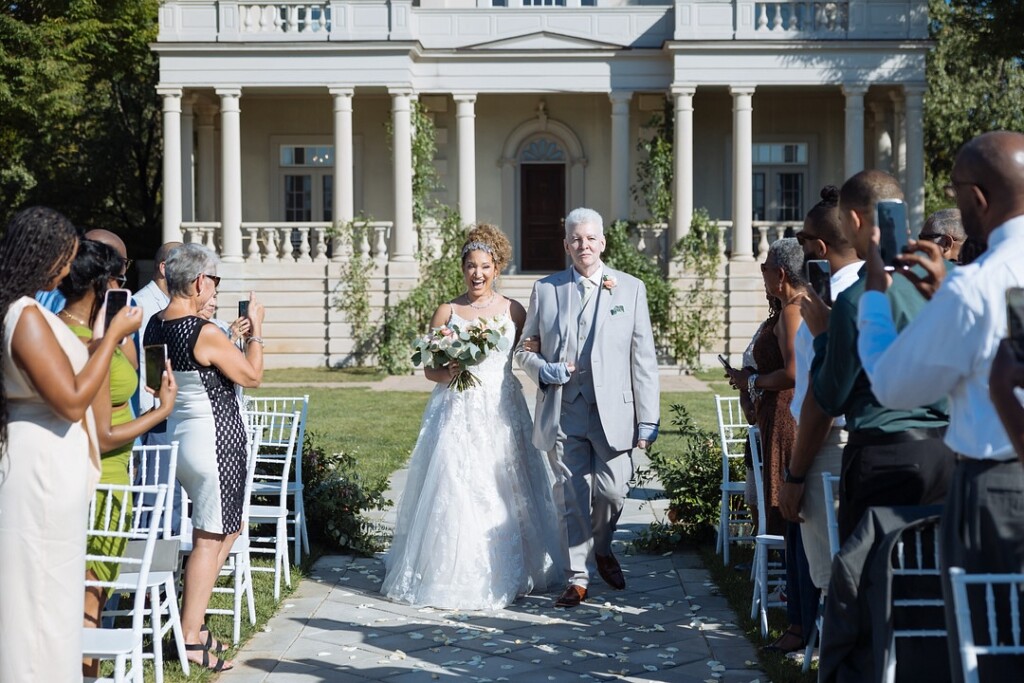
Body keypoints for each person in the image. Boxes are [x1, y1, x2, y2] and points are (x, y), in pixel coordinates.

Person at [855, 131, 1024, 682]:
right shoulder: (966, 287)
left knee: (995, 650)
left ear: (977, 198)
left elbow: (891, 384)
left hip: (994, 490)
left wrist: (877, 296)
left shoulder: (975, 287)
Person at [382, 224, 561, 610]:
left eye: (484, 266)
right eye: (470, 266)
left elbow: (530, 352)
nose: (477, 273)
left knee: (506, 485)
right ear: (462, 269)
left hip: (501, 410)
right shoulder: (447, 310)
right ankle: (451, 572)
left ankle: (515, 569)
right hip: (456, 410)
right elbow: (430, 368)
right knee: (454, 483)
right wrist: (450, 372)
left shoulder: (514, 310)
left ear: (496, 268)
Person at [0, 206, 141, 681]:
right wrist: (113, 338)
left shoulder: (29, 312)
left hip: (50, 466)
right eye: (65, 247)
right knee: (39, 602)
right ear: (42, 251)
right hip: (39, 469)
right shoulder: (25, 315)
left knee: (52, 597)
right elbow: (71, 400)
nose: (70, 258)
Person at [515, 207, 660, 609]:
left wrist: (648, 420)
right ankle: (577, 578)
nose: (584, 245)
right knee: (572, 495)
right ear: (566, 245)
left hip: (616, 410)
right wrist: (545, 370)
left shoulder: (630, 288)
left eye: (591, 238)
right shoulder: (546, 289)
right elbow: (525, 349)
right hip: (564, 408)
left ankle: (602, 547)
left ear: (603, 243)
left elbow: (642, 359)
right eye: (576, 239)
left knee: (613, 491)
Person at [804, 170, 955, 544]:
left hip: (883, 456)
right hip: (952, 454)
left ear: (854, 219)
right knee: (941, 584)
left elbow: (831, 395)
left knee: (876, 584)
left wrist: (823, 337)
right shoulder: (953, 279)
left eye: (842, 220)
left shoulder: (856, 298)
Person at [56, 239, 178, 677]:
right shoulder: (88, 346)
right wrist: (162, 411)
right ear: (103, 284)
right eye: (120, 280)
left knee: (82, 599)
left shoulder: (71, 331)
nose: (124, 288)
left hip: (97, 481)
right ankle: (85, 674)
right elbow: (104, 436)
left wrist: (115, 333)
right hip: (104, 482)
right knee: (90, 600)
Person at [144, 242, 265, 672]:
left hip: (180, 436)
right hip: (218, 440)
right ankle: (190, 636)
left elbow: (162, 382)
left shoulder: (155, 326)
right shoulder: (203, 330)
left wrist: (231, 340)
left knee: (225, 531)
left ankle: (190, 622)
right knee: (212, 537)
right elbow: (251, 377)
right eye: (214, 280)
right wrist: (257, 335)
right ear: (198, 281)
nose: (214, 287)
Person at [726, 237, 813, 654]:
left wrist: (753, 381)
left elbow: (794, 373)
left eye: (763, 267)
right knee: (781, 510)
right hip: (771, 416)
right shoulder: (785, 309)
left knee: (788, 511)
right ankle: (792, 600)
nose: (761, 274)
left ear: (779, 273)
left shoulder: (795, 311)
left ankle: (796, 609)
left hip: (785, 420)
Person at [779, 186, 863, 596]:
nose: (799, 250)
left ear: (819, 245)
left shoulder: (822, 306)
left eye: (801, 242)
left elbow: (819, 400)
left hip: (827, 445)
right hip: (871, 442)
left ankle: (837, 659)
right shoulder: (880, 289)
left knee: (833, 577)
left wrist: (795, 476)